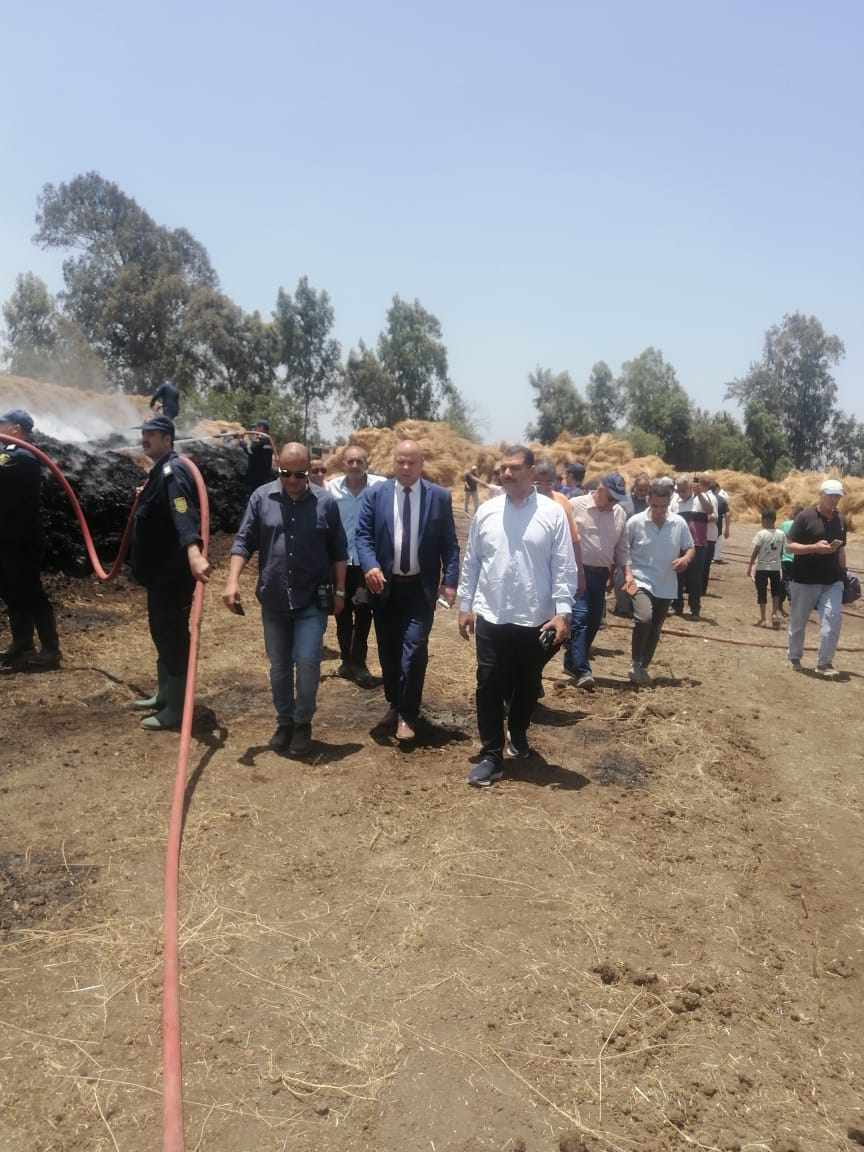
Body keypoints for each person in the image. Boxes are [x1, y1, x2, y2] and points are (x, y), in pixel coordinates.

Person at [457, 445, 577, 787]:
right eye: (503, 468)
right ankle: (491, 755)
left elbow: (563, 565)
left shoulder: (552, 513)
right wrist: (465, 605)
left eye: (514, 468)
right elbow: (473, 561)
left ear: (531, 472)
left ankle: (519, 731)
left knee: (527, 683)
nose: (506, 474)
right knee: (488, 683)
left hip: (535, 617)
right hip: (492, 614)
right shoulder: (487, 511)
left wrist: (563, 612)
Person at [223, 443, 348, 754]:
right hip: (275, 597)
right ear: (277, 466)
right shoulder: (261, 498)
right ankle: (285, 722)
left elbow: (339, 551)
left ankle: (303, 722)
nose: (292, 480)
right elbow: (243, 542)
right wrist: (232, 580)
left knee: (307, 662)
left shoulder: (325, 503)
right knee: (279, 666)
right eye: (285, 473)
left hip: (311, 599)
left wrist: (341, 591)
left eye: (299, 474)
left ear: (309, 470)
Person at [355, 439, 460, 743]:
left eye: (411, 462)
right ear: (393, 462)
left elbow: (449, 544)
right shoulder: (375, 494)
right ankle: (394, 703)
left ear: (421, 464)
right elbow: (363, 536)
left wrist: (450, 581)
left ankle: (407, 714)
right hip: (384, 588)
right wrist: (370, 566)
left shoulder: (438, 497)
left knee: (413, 651)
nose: (405, 467)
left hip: (420, 590)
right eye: (400, 461)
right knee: (388, 652)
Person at [130, 415, 210, 730]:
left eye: (152, 434)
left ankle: (176, 708)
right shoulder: (159, 471)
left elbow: (182, 510)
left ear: (167, 439)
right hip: (158, 573)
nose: (145, 438)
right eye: (144, 433)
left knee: (172, 634)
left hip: (171, 573)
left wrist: (193, 551)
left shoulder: (173, 471)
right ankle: (164, 694)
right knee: (161, 632)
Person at [0, 409, 62, 670]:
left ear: (16, 429)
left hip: (22, 539)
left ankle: (50, 649)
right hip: (5, 536)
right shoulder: (8, 452)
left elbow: (3, 465)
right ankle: (22, 642)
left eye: (1, 424)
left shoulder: (23, 455)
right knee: (10, 590)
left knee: (31, 591)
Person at [626, 478, 695, 685]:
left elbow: (690, 547)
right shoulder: (635, 522)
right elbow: (624, 551)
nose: (658, 510)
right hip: (640, 579)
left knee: (655, 627)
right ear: (648, 500)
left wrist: (685, 559)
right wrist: (627, 574)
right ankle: (635, 663)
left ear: (669, 502)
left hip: (666, 583)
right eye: (655, 505)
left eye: (663, 506)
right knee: (644, 618)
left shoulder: (678, 523)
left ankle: (643, 665)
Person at [567, 473, 633, 688]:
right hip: (577, 572)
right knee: (580, 618)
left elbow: (622, 547)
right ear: (601, 488)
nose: (613, 503)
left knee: (595, 621)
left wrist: (627, 573)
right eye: (611, 497)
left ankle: (571, 661)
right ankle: (582, 669)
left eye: (617, 499)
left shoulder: (619, 513)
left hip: (601, 574)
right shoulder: (575, 505)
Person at [328, 445, 386, 686]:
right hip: (340, 562)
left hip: (366, 564)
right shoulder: (331, 488)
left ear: (366, 463)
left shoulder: (381, 487)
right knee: (340, 612)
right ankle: (346, 661)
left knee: (363, 613)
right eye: (350, 461)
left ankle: (359, 663)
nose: (354, 465)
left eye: (359, 461)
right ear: (343, 463)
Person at [785, 479, 847, 678]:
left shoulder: (840, 519)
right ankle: (794, 656)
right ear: (821, 495)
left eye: (837, 496)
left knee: (833, 619)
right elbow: (789, 546)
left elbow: (841, 549)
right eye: (831, 495)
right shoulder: (805, 516)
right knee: (798, 621)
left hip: (832, 580)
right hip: (804, 579)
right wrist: (814, 548)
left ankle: (824, 662)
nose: (834, 500)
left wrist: (844, 573)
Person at [670, 475, 713, 619]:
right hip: (679, 545)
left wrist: (699, 494)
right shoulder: (674, 501)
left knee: (695, 578)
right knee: (678, 576)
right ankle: (677, 606)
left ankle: (695, 608)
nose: (681, 493)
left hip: (698, 545)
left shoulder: (701, 499)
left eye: (684, 490)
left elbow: (710, 510)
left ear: (690, 488)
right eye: (679, 490)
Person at [746, 509, 785, 628]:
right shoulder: (781, 534)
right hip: (775, 567)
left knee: (761, 592)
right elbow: (781, 552)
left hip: (762, 567)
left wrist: (750, 565)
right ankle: (774, 613)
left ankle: (763, 618)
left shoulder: (761, 534)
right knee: (776, 592)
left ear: (766, 520)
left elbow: (756, 551)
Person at [779, 504, 804, 613]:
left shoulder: (785, 524)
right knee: (793, 583)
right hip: (798, 559)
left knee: (784, 582)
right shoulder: (803, 526)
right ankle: (791, 603)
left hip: (785, 558)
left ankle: (783, 603)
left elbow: (779, 540)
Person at [699, 475, 720, 593]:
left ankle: (702, 588)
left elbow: (714, 517)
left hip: (708, 536)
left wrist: (697, 520)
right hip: (704, 535)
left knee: (704, 564)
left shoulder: (710, 498)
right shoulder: (702, 496)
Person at [242, 419, 274, 497]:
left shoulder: (263, 441)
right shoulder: (269, 441)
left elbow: (250, 451)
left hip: (256, 475)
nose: (255, 429)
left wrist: (241, 442)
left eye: (256, 427)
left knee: (254, 496)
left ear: (261, 428)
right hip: (265, 475)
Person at [710, 481, 731, 563]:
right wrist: (727, 529)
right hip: (717, 526)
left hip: (704, 526)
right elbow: (727, 515)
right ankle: (716, 557)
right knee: (718, 540)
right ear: (717, 489)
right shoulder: (721, 499)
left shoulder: (703, 497)